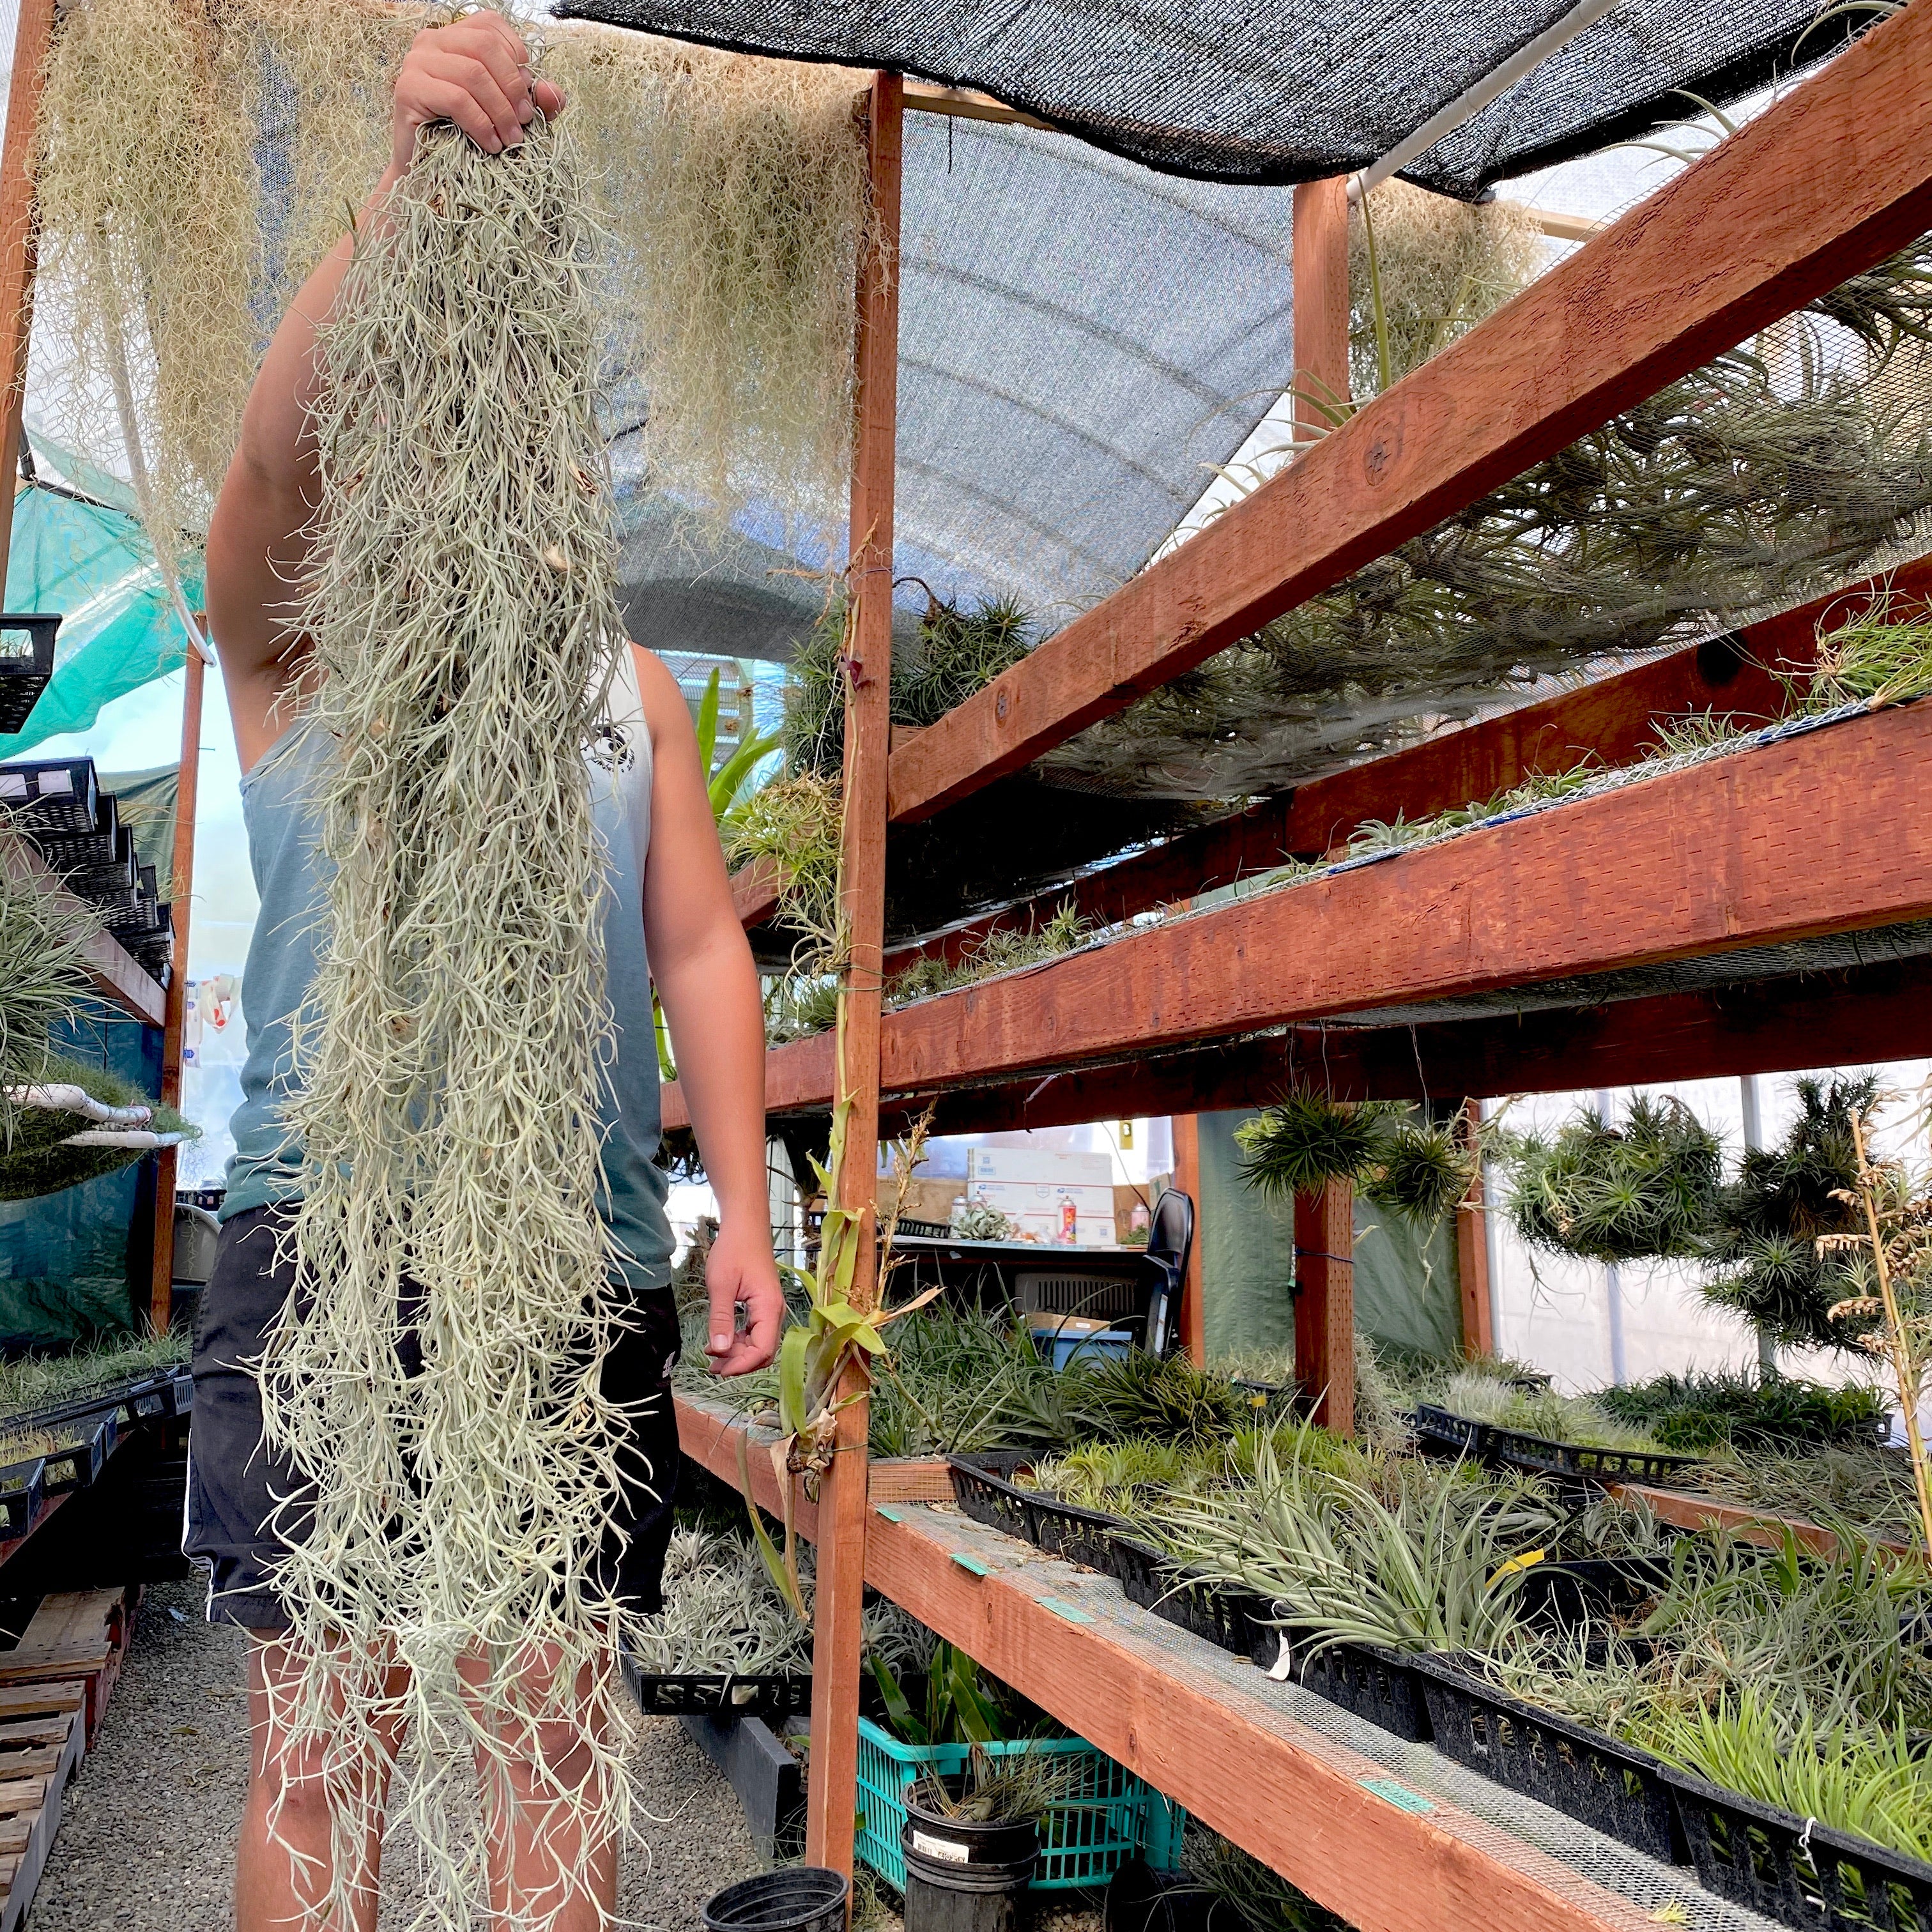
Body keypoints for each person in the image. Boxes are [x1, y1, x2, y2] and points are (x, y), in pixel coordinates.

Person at [188, 14, 785, 1928]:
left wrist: (745, 1217)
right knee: (323, 1731)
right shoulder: (302, 655)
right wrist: (399, 201)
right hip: (326, 1237)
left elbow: (698, 940)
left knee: (549, 1725)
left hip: (575, 1244)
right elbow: (273, 468)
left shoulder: (631, 696)